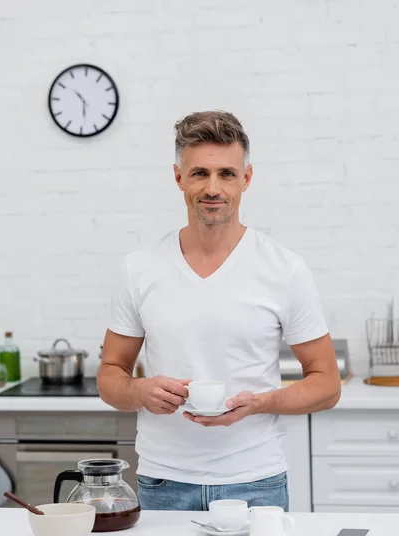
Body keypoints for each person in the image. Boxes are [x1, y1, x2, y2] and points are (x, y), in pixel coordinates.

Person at [97, 110, 341, 512]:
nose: (213, 188)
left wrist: (260, 403)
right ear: (179, 178)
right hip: (163, 482)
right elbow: (110, 376)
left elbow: (328, 384)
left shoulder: (284, 269)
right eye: (199, 174)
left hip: (256, 482)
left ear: (246, 179)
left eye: (226, 174)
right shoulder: (139, 268)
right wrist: (140, 390)